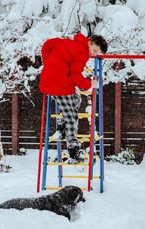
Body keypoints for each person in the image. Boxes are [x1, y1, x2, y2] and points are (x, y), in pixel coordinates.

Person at [39, 33, 108, 163]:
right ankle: (73, 149)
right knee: (72, 117)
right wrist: (89, 85)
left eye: (96, 53)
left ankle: (62, 128)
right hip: (58, 84)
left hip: (57, 80)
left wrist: (48, 64)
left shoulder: (70, 42)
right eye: (94, 51)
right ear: (90, 42)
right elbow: (75, 75)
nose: (93, 55)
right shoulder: (82, 52)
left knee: (77, 99)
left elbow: (48, 44)